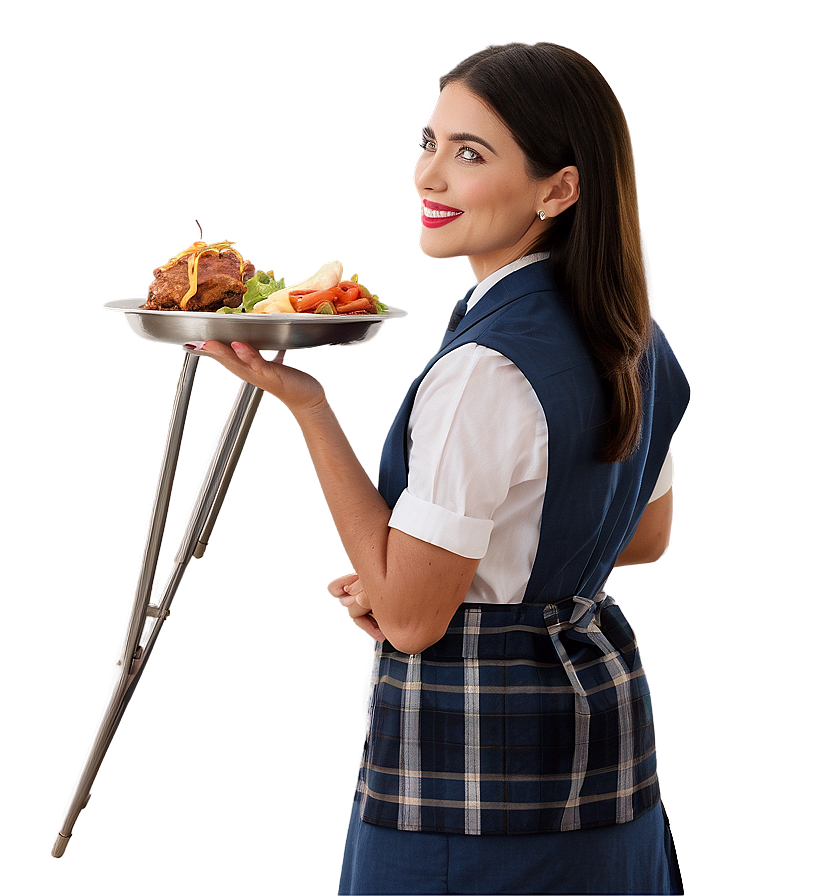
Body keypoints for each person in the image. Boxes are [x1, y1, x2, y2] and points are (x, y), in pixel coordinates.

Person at [192, 41, 689, 896]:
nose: (428, 178)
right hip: (608, 766)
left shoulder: (483, 367)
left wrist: (311, 410)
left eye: (469, 154)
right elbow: (642, 534)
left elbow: (414, 623)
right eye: (430, 142)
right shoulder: (633, 333)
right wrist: (427, 573)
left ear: (559, 189)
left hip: (474, 791)